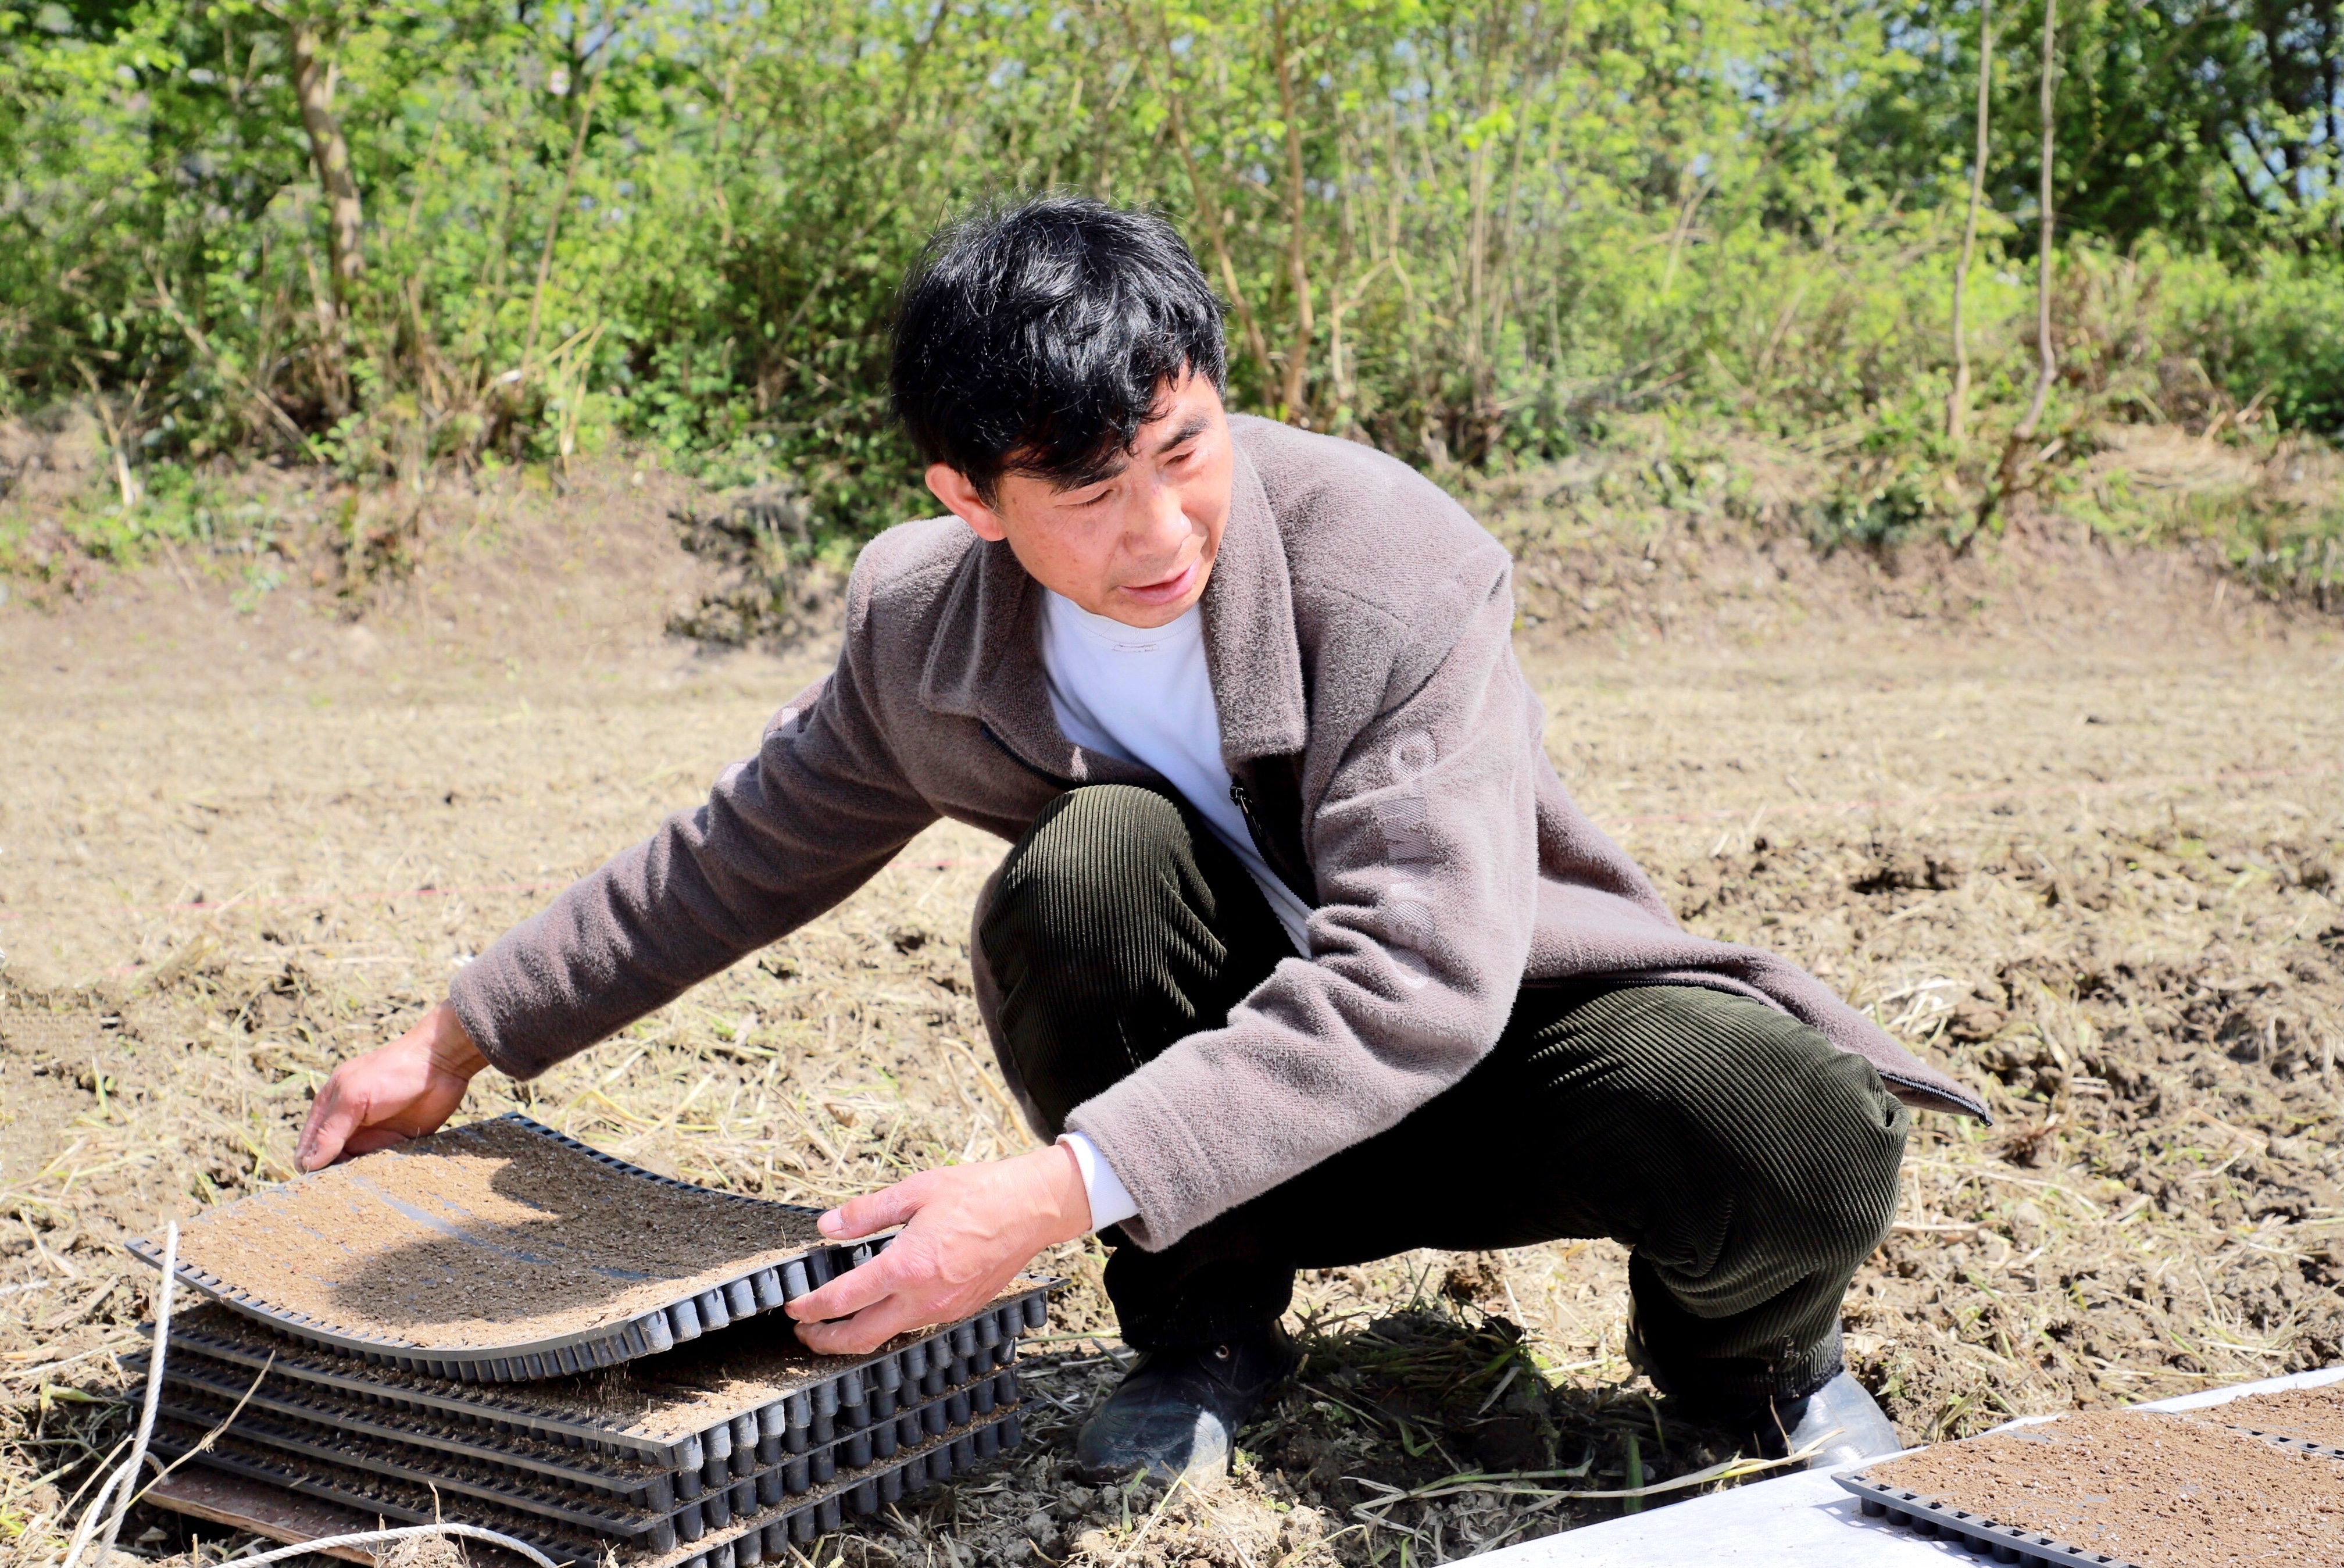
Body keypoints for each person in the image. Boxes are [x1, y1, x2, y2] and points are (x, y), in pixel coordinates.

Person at [296, 196, 1985, 1483]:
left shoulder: (1388, 562)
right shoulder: (924, 627)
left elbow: (1422, 975)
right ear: (970, 494)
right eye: (1091, 489)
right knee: (1089, 869)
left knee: (1791, 1117)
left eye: (1187, 451)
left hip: (1502, 1054)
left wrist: (1038, 1195)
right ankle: (1204, 1337)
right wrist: (462, 1032)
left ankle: (1741, 1367)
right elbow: (740, 848)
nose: (1161, 525)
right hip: (1221, 1127)